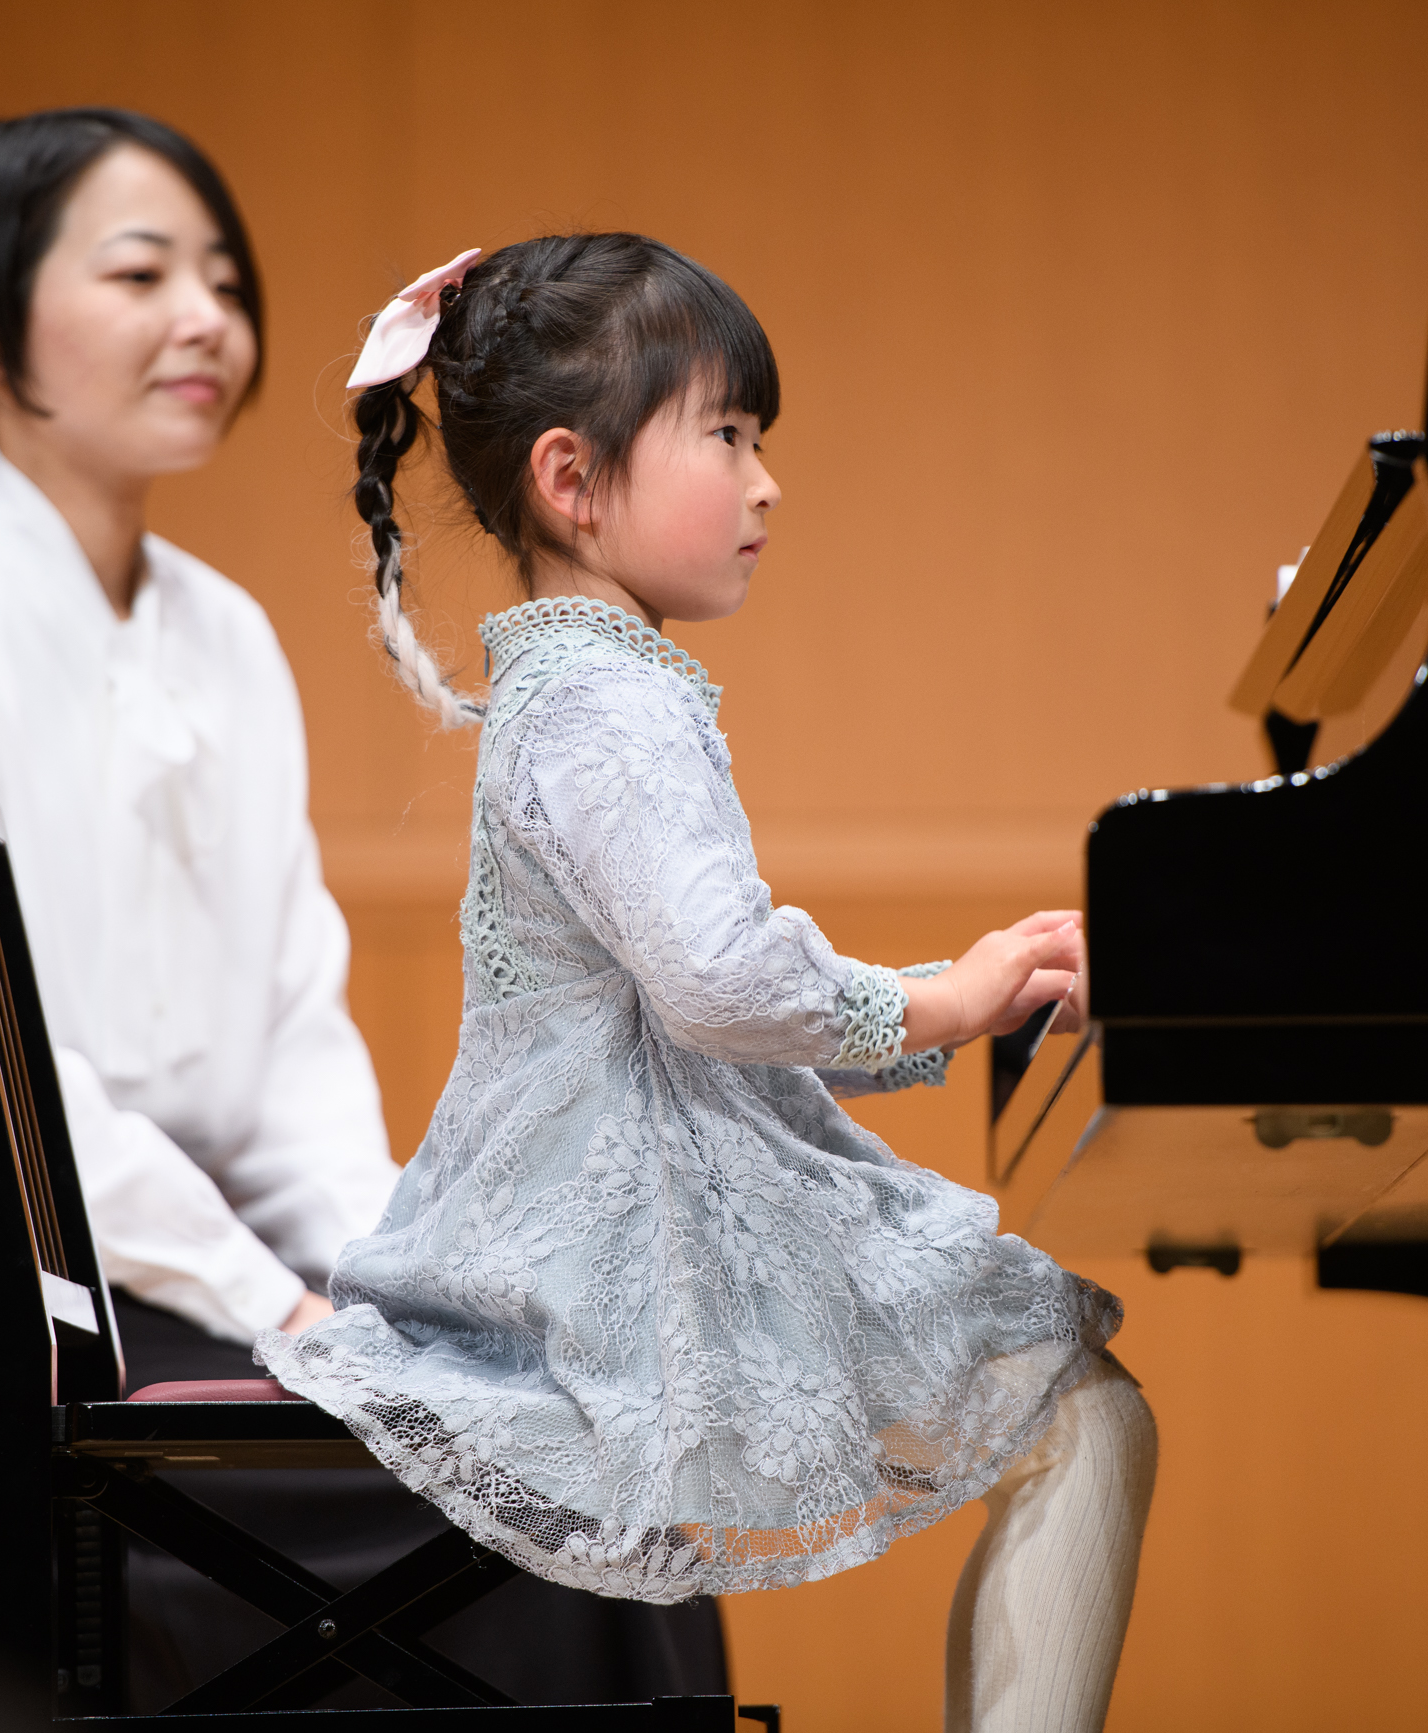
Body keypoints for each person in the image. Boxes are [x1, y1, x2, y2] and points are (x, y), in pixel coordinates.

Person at [0, 115, 723, 1708]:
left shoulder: (227, 637)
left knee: (580, 1444)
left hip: (179, 1282)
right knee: (518, 1506)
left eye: (225, 280)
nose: (207, 318)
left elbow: (289, 1047)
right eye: (141, 270)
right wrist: (281, 1312)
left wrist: (391, 1292)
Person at [260, 233, 1157, 1733]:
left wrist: (951, 989)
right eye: (727, 434)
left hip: (599, 1209)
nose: (765, 481)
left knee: (1072, 1399)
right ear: (572, 479)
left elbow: (702, 991)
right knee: (1083, 1407)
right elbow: (724, 985)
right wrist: (944, 999)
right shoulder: (609, 706)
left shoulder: (583, 685)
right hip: (609, 1252)